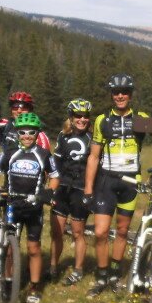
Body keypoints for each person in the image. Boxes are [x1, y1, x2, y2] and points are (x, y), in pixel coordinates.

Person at [0, 113, 59, 303]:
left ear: (37, 133)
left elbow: (55, 176)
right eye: (22, 132)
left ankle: (34, 286)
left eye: (31, 132)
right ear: (17, 134)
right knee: (7, 250)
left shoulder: (44, 154)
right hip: (12, 206)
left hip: (34, 207)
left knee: (34, 248)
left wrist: (49, 192)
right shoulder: (9, 153)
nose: (27, 136)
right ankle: (6, 285)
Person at [83, 73, 150, 297]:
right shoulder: (103, 120)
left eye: (124, 92)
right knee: (101, 232)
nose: (120, 96)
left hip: (131, 181)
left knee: (122, 231)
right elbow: (93, 157)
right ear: (112, 95)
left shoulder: (141, 117)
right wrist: (88, 188)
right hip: (107, 180)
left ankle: (114, 273)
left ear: (130, 95)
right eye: (116, 92)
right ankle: (101, 276)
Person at [49, 99, 94, 286]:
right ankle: (52, 267)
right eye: (78, 115)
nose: (82, 119)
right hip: (62, 188)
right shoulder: (63, 136)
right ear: (71, 117)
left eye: (85, 116)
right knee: (56, 231)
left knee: (77, 233)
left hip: (80, 190)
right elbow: (56, 164)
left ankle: (78, 270)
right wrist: (52, 190)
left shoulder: (93, 138)